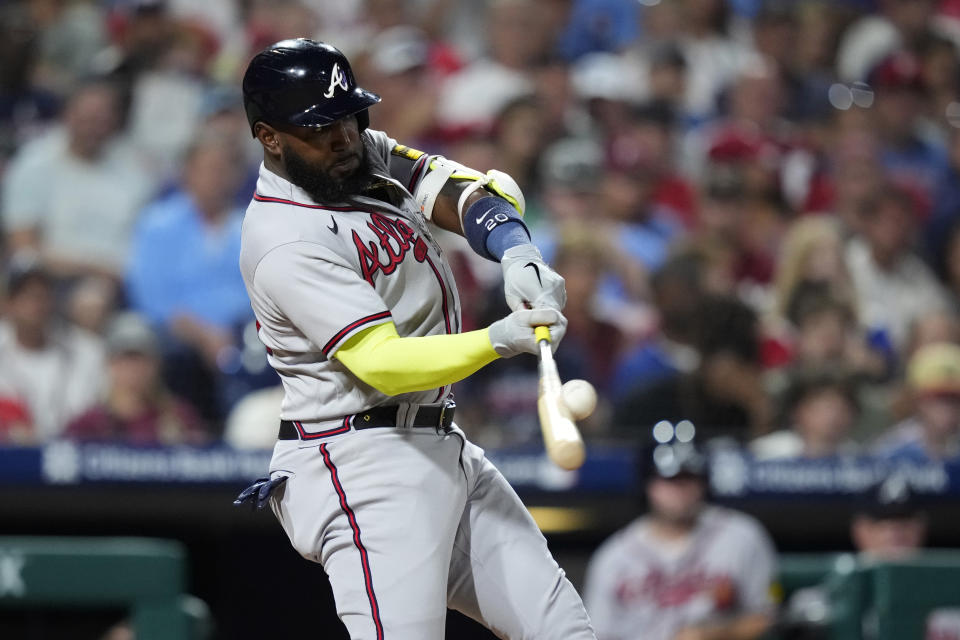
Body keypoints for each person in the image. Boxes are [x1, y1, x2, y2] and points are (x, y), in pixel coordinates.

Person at [232, 39, 595, 640]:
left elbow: (448, 185)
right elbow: (382, 363)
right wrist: (499, 339)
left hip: (438, 440)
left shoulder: (354, 151)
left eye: (348, 116)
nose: (343, 135)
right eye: (320, 127)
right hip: (360, 463)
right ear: (271, 136)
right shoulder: (283, 239)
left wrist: (514, 250)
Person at [584, 425, 778, 640]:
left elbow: (767, 620)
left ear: (704, 482)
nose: (679, 490)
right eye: (669, 480)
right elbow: (597, 634)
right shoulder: (614, 557)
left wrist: (712, 634)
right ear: (647, 484)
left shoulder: (742, 537)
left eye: (688, 478)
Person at [0, 252, 105, 443]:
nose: (35, 303)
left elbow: (97, 417)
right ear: (8, 303)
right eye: (25, 295)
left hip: (72, 459)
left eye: (42, 295)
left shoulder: (87, 351)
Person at [64, 312, 207, 446]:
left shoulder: (180, 418)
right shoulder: (89, 424)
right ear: (109, 364)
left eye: (140, 359)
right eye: (124, 359)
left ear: (156, 364)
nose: (133, 369)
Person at [873, 342, 960, 462]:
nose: (948, 408)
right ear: (917, 401)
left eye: (955, 399)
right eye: (936, 398)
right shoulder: (893, 448)